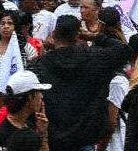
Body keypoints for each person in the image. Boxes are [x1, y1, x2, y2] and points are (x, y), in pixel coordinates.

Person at [36, 15, 130, 151]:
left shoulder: (41, 64)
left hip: (54, 138)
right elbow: (124, 50)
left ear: (54, 34)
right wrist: (95, 36)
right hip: (84, 138)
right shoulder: (94, 59)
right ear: (78, 36)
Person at [0, 70, 50, 151]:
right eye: (39, 92)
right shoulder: (28, 138)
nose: (41, 96)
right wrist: (43, 135)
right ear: (30, 97)